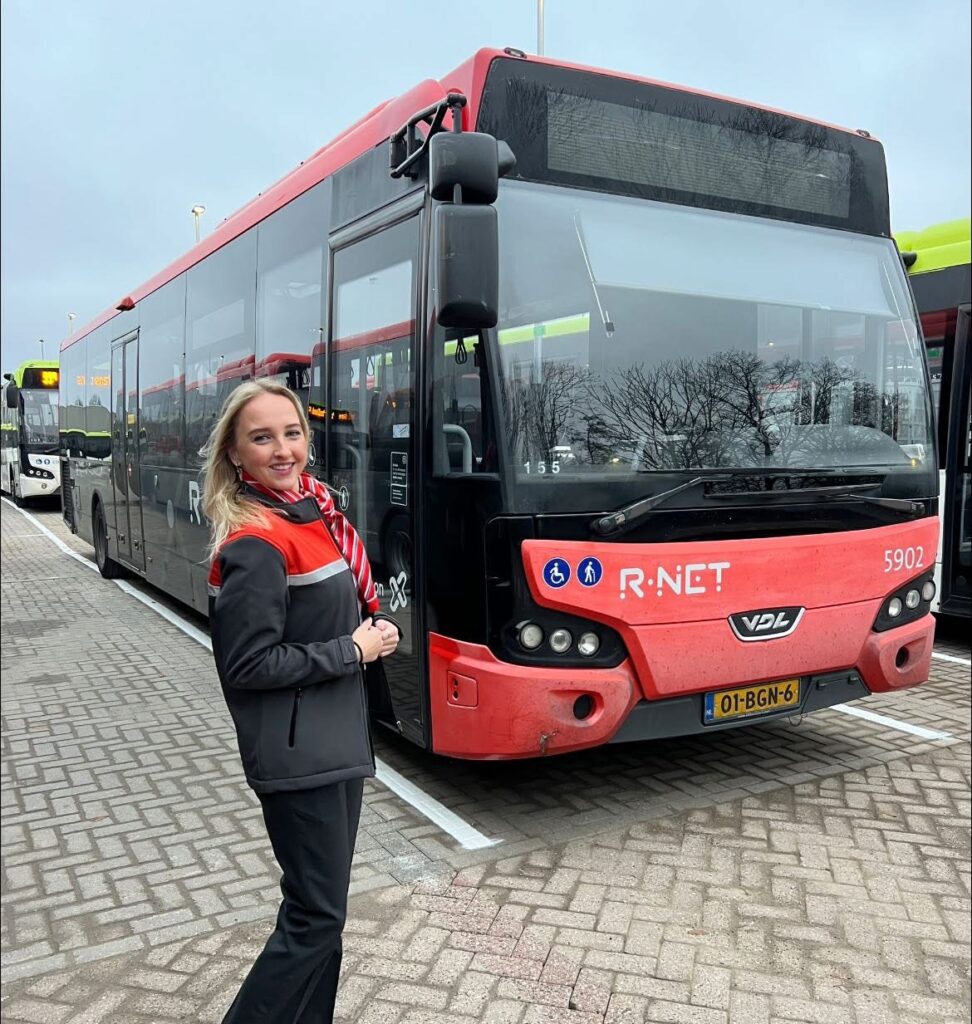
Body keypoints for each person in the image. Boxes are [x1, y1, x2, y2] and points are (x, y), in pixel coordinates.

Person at [202, 379, 400, 1023]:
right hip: (298, 755)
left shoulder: (312, 512)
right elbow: (248, 664)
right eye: (262, 437)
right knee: (314, 918)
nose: (282, 449)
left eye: (291, 433)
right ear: (236, 454)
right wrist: (354, 650)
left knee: (324, 916)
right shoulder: (256, 542)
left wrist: (369, 634)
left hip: (334, 742)